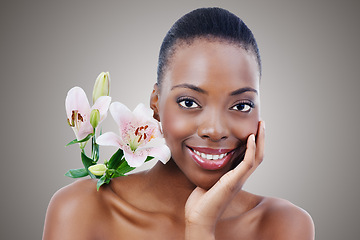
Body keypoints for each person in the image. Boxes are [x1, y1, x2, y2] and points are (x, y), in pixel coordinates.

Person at [43, 7, 314, 239]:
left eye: (241, 106)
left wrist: (200, 228)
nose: (215, 130)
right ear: (155, 104)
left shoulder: (281, 225)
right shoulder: (81, 208)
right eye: (189, 102)